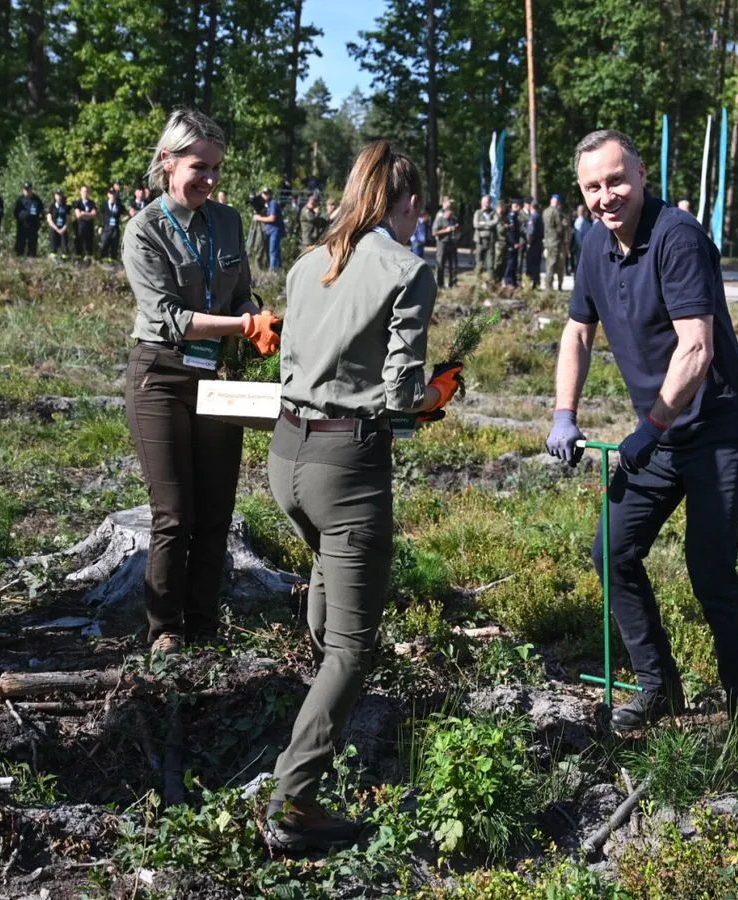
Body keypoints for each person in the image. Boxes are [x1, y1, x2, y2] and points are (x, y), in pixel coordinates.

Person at [264, 141, 462, 852]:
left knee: (328, 587)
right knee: (352, 647)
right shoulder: (406, 269)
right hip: (346, 466)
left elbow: (293, 363)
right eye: (421, 213)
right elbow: (405, 394)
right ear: (406, 204)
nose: (422, 225)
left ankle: (323, 715)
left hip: (284, 456)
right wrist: (441, 391)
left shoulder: (305, 262)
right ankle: (293, 803)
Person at [546, 129, 738, 731]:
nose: (606, 195)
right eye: (593, 186)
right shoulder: (593, 243)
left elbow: (697, 349)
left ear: (641, 174)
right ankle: (658, 685)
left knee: (710, 570)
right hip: (660, 433)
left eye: (616, 180)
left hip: (713, 428)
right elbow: (577, 333)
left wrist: (652, 425)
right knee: (612, 551)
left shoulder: (678, 239)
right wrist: (565, 413)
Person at [122, 107, 279, 656]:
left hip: (218, 377)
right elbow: (169, 317)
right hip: (162, 375)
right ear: (167, 162)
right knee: (174, 513)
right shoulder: (144, 231)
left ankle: (204, 624)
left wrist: (255, 315)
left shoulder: (229, 222)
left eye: (216, 170)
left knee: (216, 511)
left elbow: (242, 290)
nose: (209, 180)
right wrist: (242, 324)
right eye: (198, 167)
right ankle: (165, 629)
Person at [543, 193, 570, 291]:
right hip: (557, 242)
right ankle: (559, 287)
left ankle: (548, 286)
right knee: (559, 266)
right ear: (558, 203)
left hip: (548, 242)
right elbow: (559, 228)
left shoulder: (545, 212)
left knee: (549, 265)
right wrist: (564, 225)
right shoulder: (557, 213)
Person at [254, 186, 285, 270]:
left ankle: (272, 271)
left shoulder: (273, 203)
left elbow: (272, 218)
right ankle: (278, 268)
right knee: (274, 251)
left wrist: (258, 218)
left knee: (272, 251)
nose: (265, 195)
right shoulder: (267, 204)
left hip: (275, 230)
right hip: (270, 231)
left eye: (267, 193)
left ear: (270, 194)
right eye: (264, 193)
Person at [431, 198, 459, 288]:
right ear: (445, 212)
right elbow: (434, 232)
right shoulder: (439, 218)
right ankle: (440, 284)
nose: (451, 215)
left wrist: (456, 229)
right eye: (449, 213)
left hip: (452, 244)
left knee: (453, 264)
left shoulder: (453, 219)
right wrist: (446, 230)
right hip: (442, 244)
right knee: (440, 264)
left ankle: (452, 283)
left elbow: (458, 230)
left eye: (452, 212)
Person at [13, 181, 44, 258]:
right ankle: (19, 259)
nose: (27, 191)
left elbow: (42, 211)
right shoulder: (19, 200)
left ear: (31, 189)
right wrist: (21, 218)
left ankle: (31, 260)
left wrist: (39, 219)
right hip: (22, 226)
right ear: (23, 190)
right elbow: (15, 212)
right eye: (25, 189)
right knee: (20, 244)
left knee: (32, 244)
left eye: (28, 189)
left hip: (33, 226)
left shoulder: (37, 199)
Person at [472, 194, 497, 277]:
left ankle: (491, 283)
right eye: (484, 202)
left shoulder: (493, 212)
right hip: (480, 241)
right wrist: (488, 225)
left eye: (487, 202)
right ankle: (478, 283)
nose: (485, 204)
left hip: (490, 241)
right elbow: (476, 225)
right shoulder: (477, 212)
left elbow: (495, 222)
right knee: (479, 263)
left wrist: (484, 223)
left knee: (490, 264)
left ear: (490, 203)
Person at [100, 186, 124, 260]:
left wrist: (121, 221)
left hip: (115, 228)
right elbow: (100, 216)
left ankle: (113, 261)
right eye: (111, 194)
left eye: (114, 194)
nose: (112, 195)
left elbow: (126, 214)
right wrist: (100, 226)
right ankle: (104, 260)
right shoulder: (104, 204)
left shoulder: (119, 205)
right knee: (104, 245)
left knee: (114, 246)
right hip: (106, 228)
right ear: (108, 195)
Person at [73, 186, 98, 259]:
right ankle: (78, 259)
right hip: (80, 226)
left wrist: (84, 213)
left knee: (89, 243)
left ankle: (88, 260)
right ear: (80, 192)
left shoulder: (92, 203)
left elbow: (94, 214)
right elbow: (78, 215)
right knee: (79, 243)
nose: (85, 193)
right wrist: (88, 214)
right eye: (83, 191)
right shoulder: (77, 203)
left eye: (86, 191)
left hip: (89, 226)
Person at [47, 189, 71, 259]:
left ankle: (65, 262)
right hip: (54, 229)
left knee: (65, 248)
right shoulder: (51, 206)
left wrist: (63, 228)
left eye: (60, 195)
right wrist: (56, 228)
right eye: (57, 195)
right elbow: (49, 219)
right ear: (54, 196)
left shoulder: (66, 206)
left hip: (63, 229)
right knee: (53, 248)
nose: (59, 197)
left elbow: (68, 219)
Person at [572, 203, 592, 274]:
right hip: (581, 248)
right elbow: (578, 237)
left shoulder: (584, 221)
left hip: (585, 247)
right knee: (580, 266)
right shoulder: (580, 221)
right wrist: (582, 247)